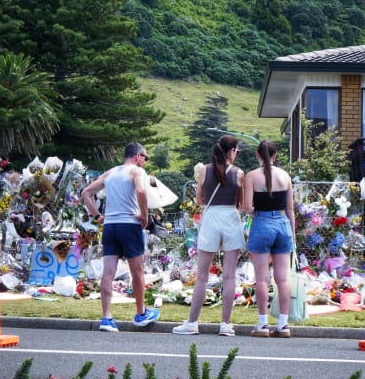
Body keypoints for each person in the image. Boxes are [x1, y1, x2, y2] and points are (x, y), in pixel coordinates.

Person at [80, 142, 160, 332]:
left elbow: (86, 193)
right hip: (129, 224)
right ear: (138, 156)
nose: (145, 162)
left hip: (110, 226)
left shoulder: (110, 173)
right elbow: (141, 190)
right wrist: (144, 214)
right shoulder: (137, 172)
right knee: (137, 271)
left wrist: (98, 216)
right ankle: (141, 313)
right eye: (145, 158)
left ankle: (107, 317)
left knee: (108, 272)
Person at [172, 135, 244, 336]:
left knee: (202, 275)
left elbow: (200, 200)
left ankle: (192, 322)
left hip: (211, 216)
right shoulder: (239, 173)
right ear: (232, 152)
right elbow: (240, 203)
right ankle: (225, 324)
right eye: (237, 151)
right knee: (229, 275)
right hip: (231, 216)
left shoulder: (205, 170)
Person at [242, 139, 296, 338]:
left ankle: (263, 323)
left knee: (262, 278)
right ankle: (283, 324)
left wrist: (258, 213)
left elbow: (248, 207)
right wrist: (293, 233)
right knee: (283, 278)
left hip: (262, 223)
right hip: (283, 223)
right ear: (275, 156)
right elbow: (290, 209)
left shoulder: (251, 176)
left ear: (257, 155)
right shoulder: (285, 175)